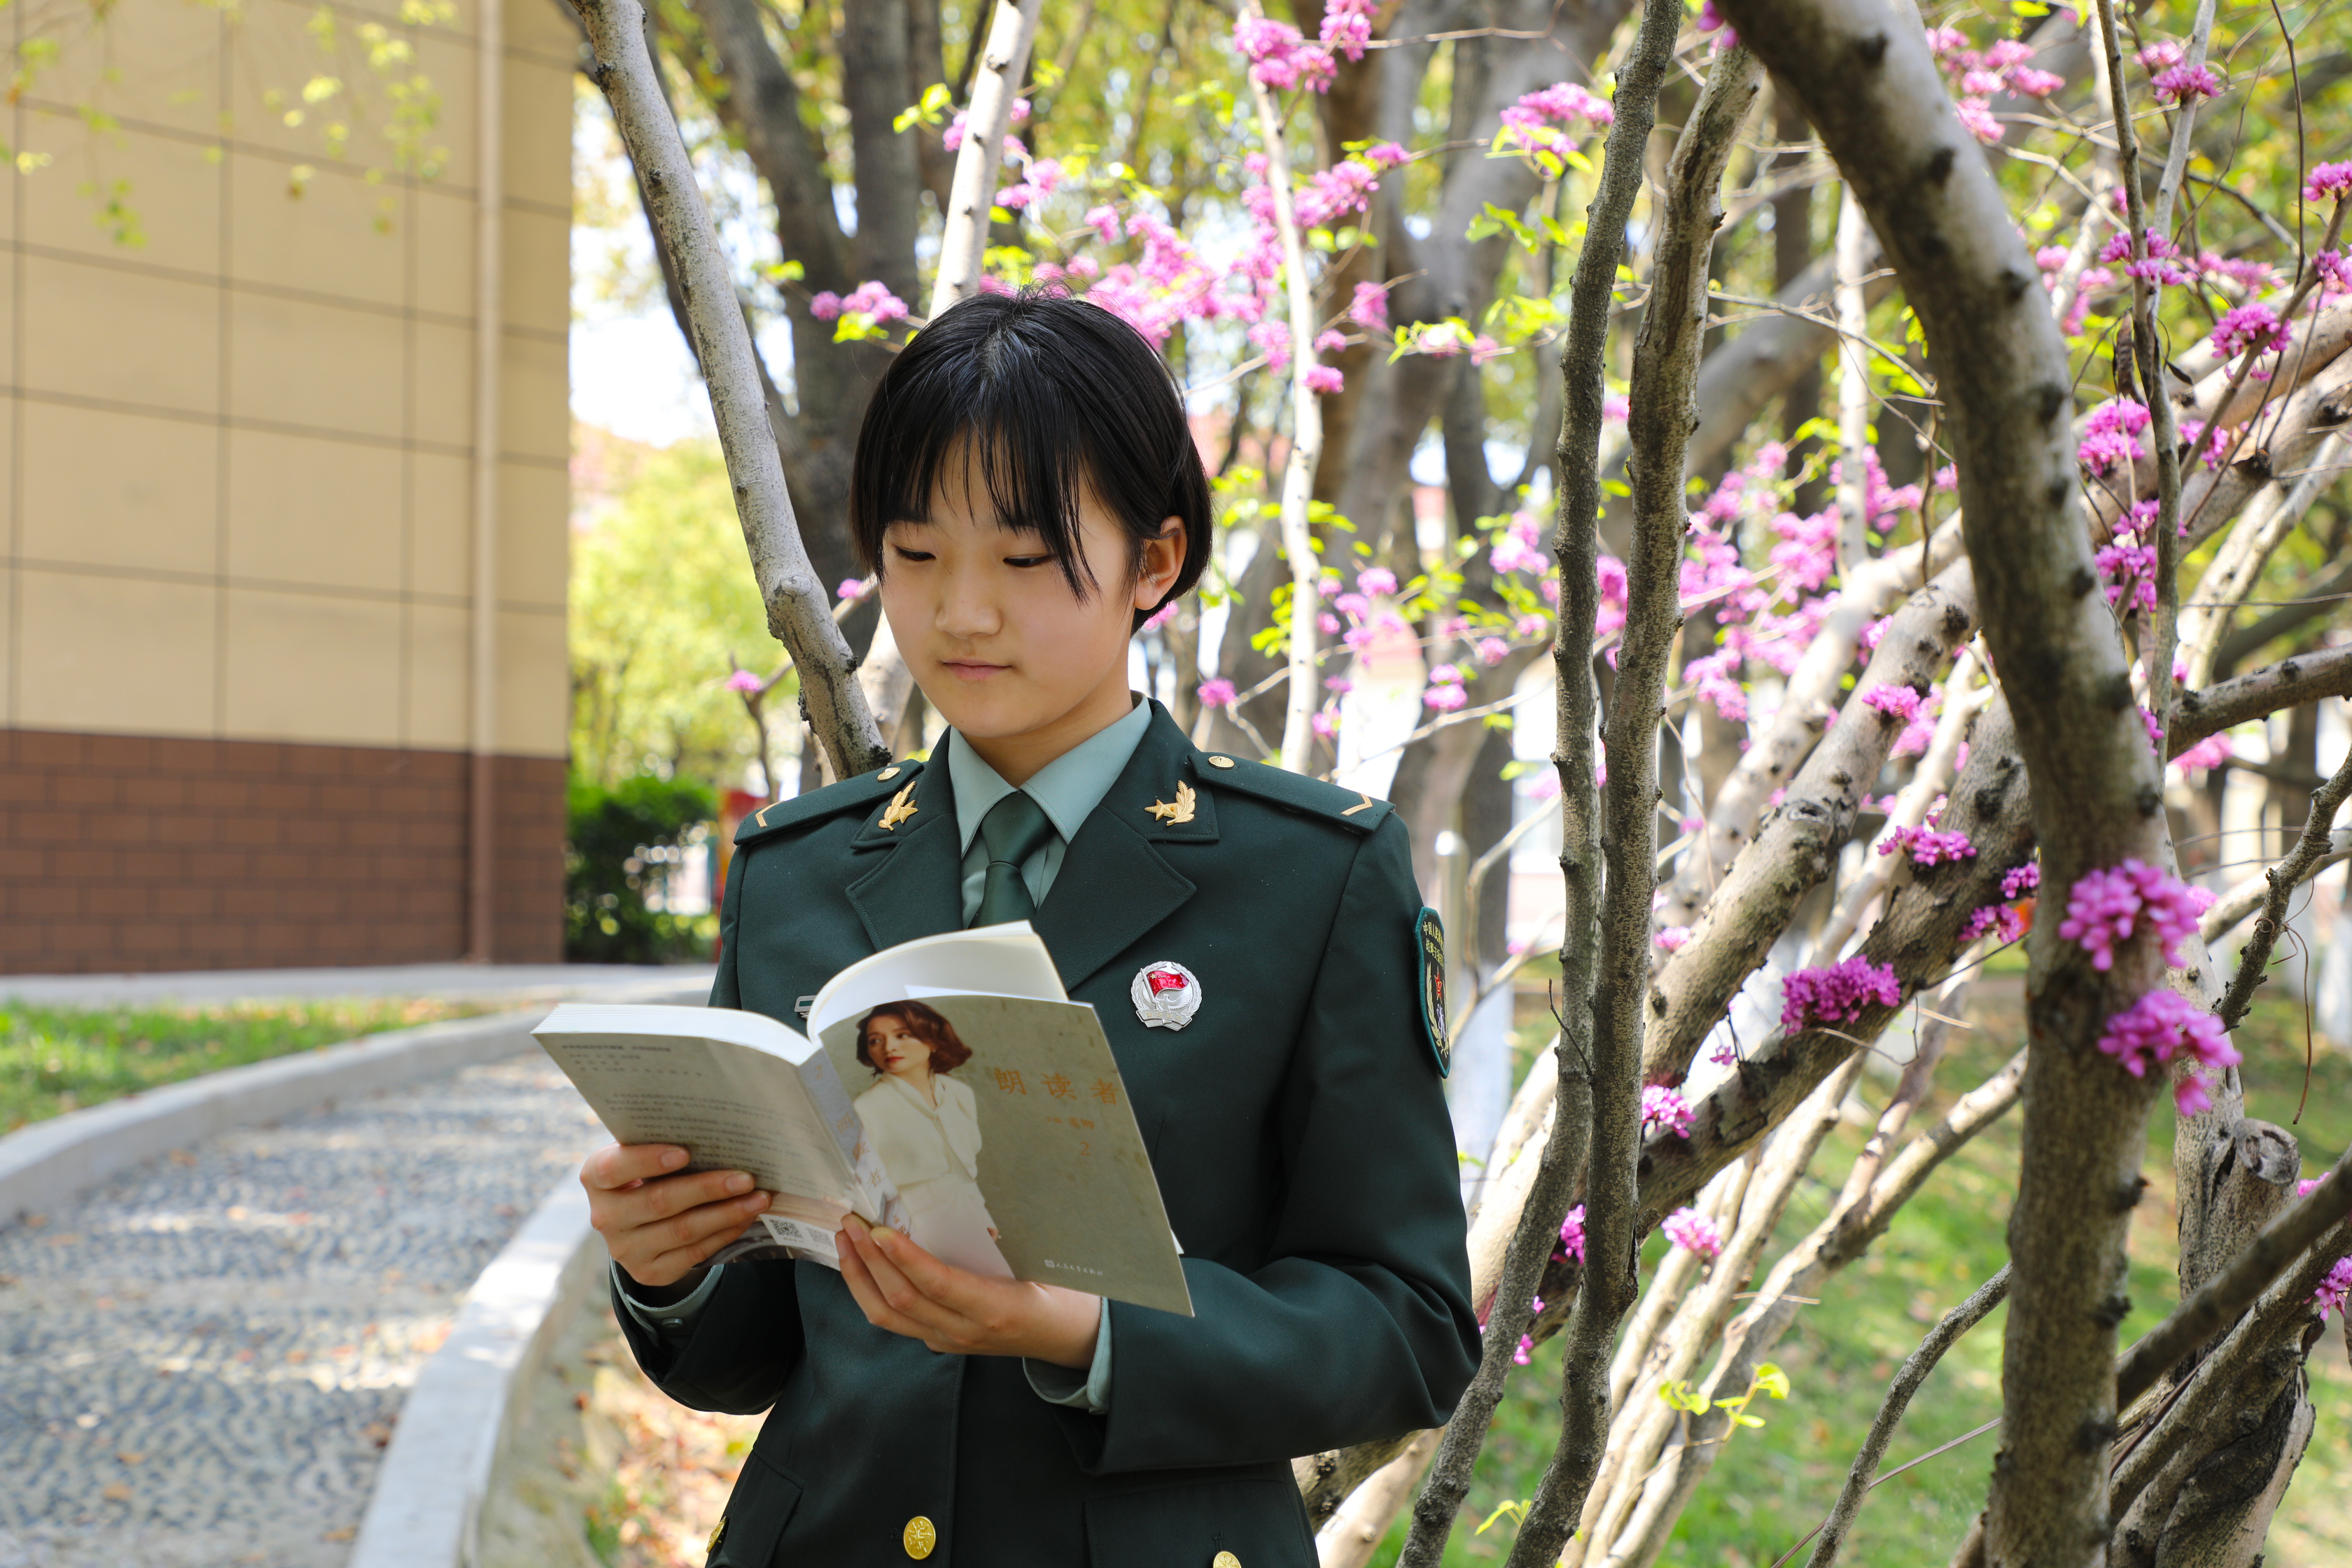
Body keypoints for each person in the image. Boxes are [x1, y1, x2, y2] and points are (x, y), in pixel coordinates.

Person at [578, 288, 1480, 1567]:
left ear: (1153, 564)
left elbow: (1406, 1327)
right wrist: (666, 1267)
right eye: (914, 553)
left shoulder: (1311, 874)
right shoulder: (798, 869)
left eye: (1018, 558)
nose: (961, 613)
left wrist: (1091, 1330)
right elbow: (754, 1351)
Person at [850, 1002, 1012, 1280]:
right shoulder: (871, 1105)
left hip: (962, 1211)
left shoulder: (959, 1094)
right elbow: (868, 1179)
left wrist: (980, 1215)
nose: (889, 1047)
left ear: (933, 1039)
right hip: (910, 1219)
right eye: (876, 1040)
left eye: (902, 1035)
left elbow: (964, 1168)